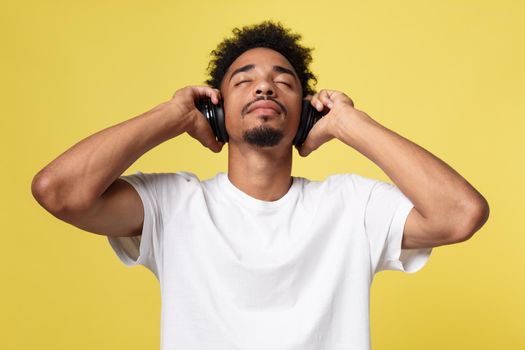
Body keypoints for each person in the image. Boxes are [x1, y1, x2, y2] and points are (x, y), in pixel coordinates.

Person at [32, 20, 489, 350]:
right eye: (244, 81)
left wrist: (351, 123)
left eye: (282, 82)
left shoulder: (351, 205)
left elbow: (460, 214)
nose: (264, 88)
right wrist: (173, 115)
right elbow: (58, 190)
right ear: (216, 110)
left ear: (307, 112)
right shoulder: (173, 204)